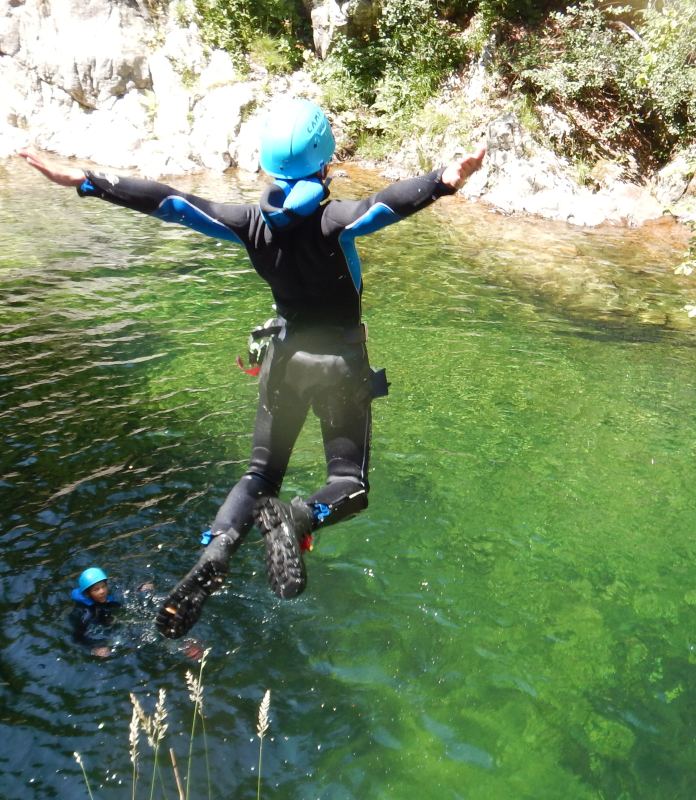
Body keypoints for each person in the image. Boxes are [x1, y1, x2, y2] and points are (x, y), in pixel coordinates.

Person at [18, 99, 485, 639]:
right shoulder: (335, 221)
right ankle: (302, 517)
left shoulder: (249, 224)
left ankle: (215, 552)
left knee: (260, 473)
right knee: (348, 483)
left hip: (284, 361)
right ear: (325, 161)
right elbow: (385, 204)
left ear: (267, 166)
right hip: (338, 364)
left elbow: (172, 202)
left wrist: (88, 180)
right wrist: (445, 180)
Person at [69, 567, 122, 657]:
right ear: (87, 594)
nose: (102, 591)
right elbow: (77, 637)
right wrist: (95, 649)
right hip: (96, 628)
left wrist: (140, 588)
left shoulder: (108, 599)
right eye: (96, 589)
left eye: (103, 586)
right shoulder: (88, 613)